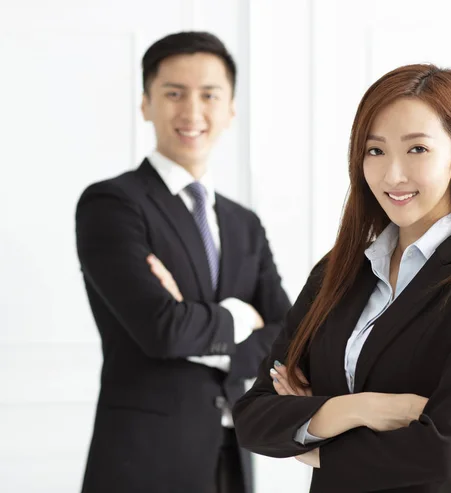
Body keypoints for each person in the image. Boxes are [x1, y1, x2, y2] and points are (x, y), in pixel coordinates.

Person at [231, 64, 451, 492]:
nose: (393, 175)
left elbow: (444, 447)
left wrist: (314, 444)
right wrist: (358, 409)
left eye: (417, 150)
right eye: (375, 151)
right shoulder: (335, 272)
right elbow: (252, 416)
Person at [76, 31, 291, 493]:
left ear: (231, 108)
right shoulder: (113, 205)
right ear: (146, 103)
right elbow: (162, 329)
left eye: (209, 95)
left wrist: (198, 329)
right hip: (142, 461)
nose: (192, 112)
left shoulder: (243, 223)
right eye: (174, 94)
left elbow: (288, 336)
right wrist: (238, 317)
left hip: (232, 455)